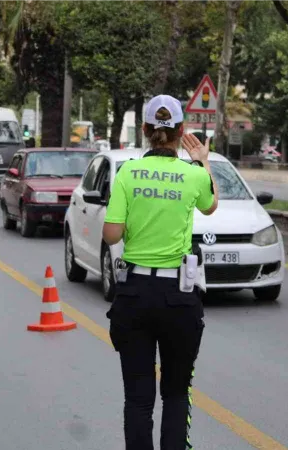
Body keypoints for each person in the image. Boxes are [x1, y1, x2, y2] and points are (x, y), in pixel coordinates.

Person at [102, 94, 219, 450]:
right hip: (179, 298)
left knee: (138, 399)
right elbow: (211, 205)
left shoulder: (127, 173)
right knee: (176, 393)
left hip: (135, 294)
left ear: (146, 130)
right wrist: (203, 161)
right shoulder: (193, 174)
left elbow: (112, 234)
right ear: (181, 130)